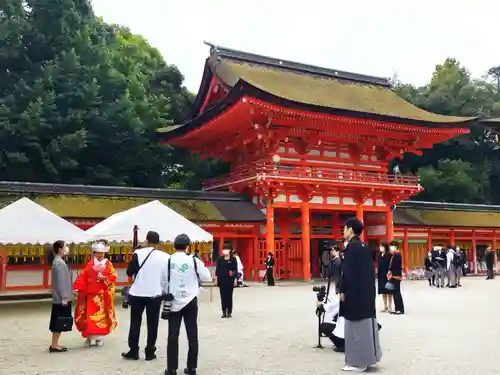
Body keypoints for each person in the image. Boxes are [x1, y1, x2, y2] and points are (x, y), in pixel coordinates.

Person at [164, 234, 212, 375]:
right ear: (187, 246)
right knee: (192, 333)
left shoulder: (168, 260)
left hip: (173, 301)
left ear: (174, 246)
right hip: (190, 300)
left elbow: (163, 280)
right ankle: (191, 367)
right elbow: (207, 277)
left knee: (173, 334)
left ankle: (171, 368)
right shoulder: (194, 260)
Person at [339, 218, 381, 372]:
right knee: (367, 326)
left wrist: (342, 290)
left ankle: (358, 362)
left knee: (355, 328)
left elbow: (347, 273)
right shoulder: (364, 246)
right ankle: (370, 358)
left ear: (350, 229)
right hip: (366, 293)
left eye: (344, 228)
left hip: (355, 294)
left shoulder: (352, 247)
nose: (343, 231)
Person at [122, 231, 170, 361]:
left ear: (147, 240)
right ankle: (150, 352)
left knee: (135, 323)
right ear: (158, 242)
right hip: (155, 293)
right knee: (152, 324)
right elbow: (167, 276)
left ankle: (133, 350)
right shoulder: (165, 257)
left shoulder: (138, 253)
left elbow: (129, 272)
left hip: (138, 293)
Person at [73, 241, 117, 347]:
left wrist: (104, 278)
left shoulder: (108, 264)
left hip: (101, 296)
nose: (101, 255)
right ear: (94, 253)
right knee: (89, 317)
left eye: (102, 253)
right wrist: (78, 287)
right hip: (90, 295)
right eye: (98, 253)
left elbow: (113, 277)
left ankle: (100, 338)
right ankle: (90, 338)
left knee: (101, 317)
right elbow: (83, 276)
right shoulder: (90, 264)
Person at [48, 240, 73, 353]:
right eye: (66, 246)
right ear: (60, 249)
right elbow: (61, 281)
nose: (67, 248)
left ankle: (55, 343)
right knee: (59, 320)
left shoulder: (58, 261)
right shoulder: (59, 263)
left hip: (60, 296)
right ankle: (54, 344)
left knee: (58, 320)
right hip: (61, 298)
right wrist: (64, 296)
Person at [216, 249, 238, 318]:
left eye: (226, 249)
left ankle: (229, 312)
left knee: (229, 296)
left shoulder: (233, 259)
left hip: (230, 280)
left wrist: (235, 279)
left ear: (229, 250)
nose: (224, 251)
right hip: (222, 280)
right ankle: (224, 312)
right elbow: (217, 269)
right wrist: (216, 279)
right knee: (223, 296)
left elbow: (235, 269)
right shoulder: (220, 259)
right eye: (223, 249)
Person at [387, 241, 404, 315]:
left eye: (392, 246)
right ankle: (397, 308)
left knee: (397, 293)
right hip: (394, 276)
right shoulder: (394, 255)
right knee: (395, 293)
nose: (391, 248)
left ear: (396, 247)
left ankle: (400, 309)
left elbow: (395, 266)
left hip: (396, 276)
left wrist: (390, 272)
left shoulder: (397, 255)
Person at [377, 243, 392, 312]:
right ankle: (385, 306)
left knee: (389, 291)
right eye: (380, 246)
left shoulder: (389, 255)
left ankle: (390, 306)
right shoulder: (379, 256)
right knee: (383, 291)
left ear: (385, 247)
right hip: (381, 275)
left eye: (382, 246)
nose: (380, 248)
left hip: (387, 275)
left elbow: (391, 265)